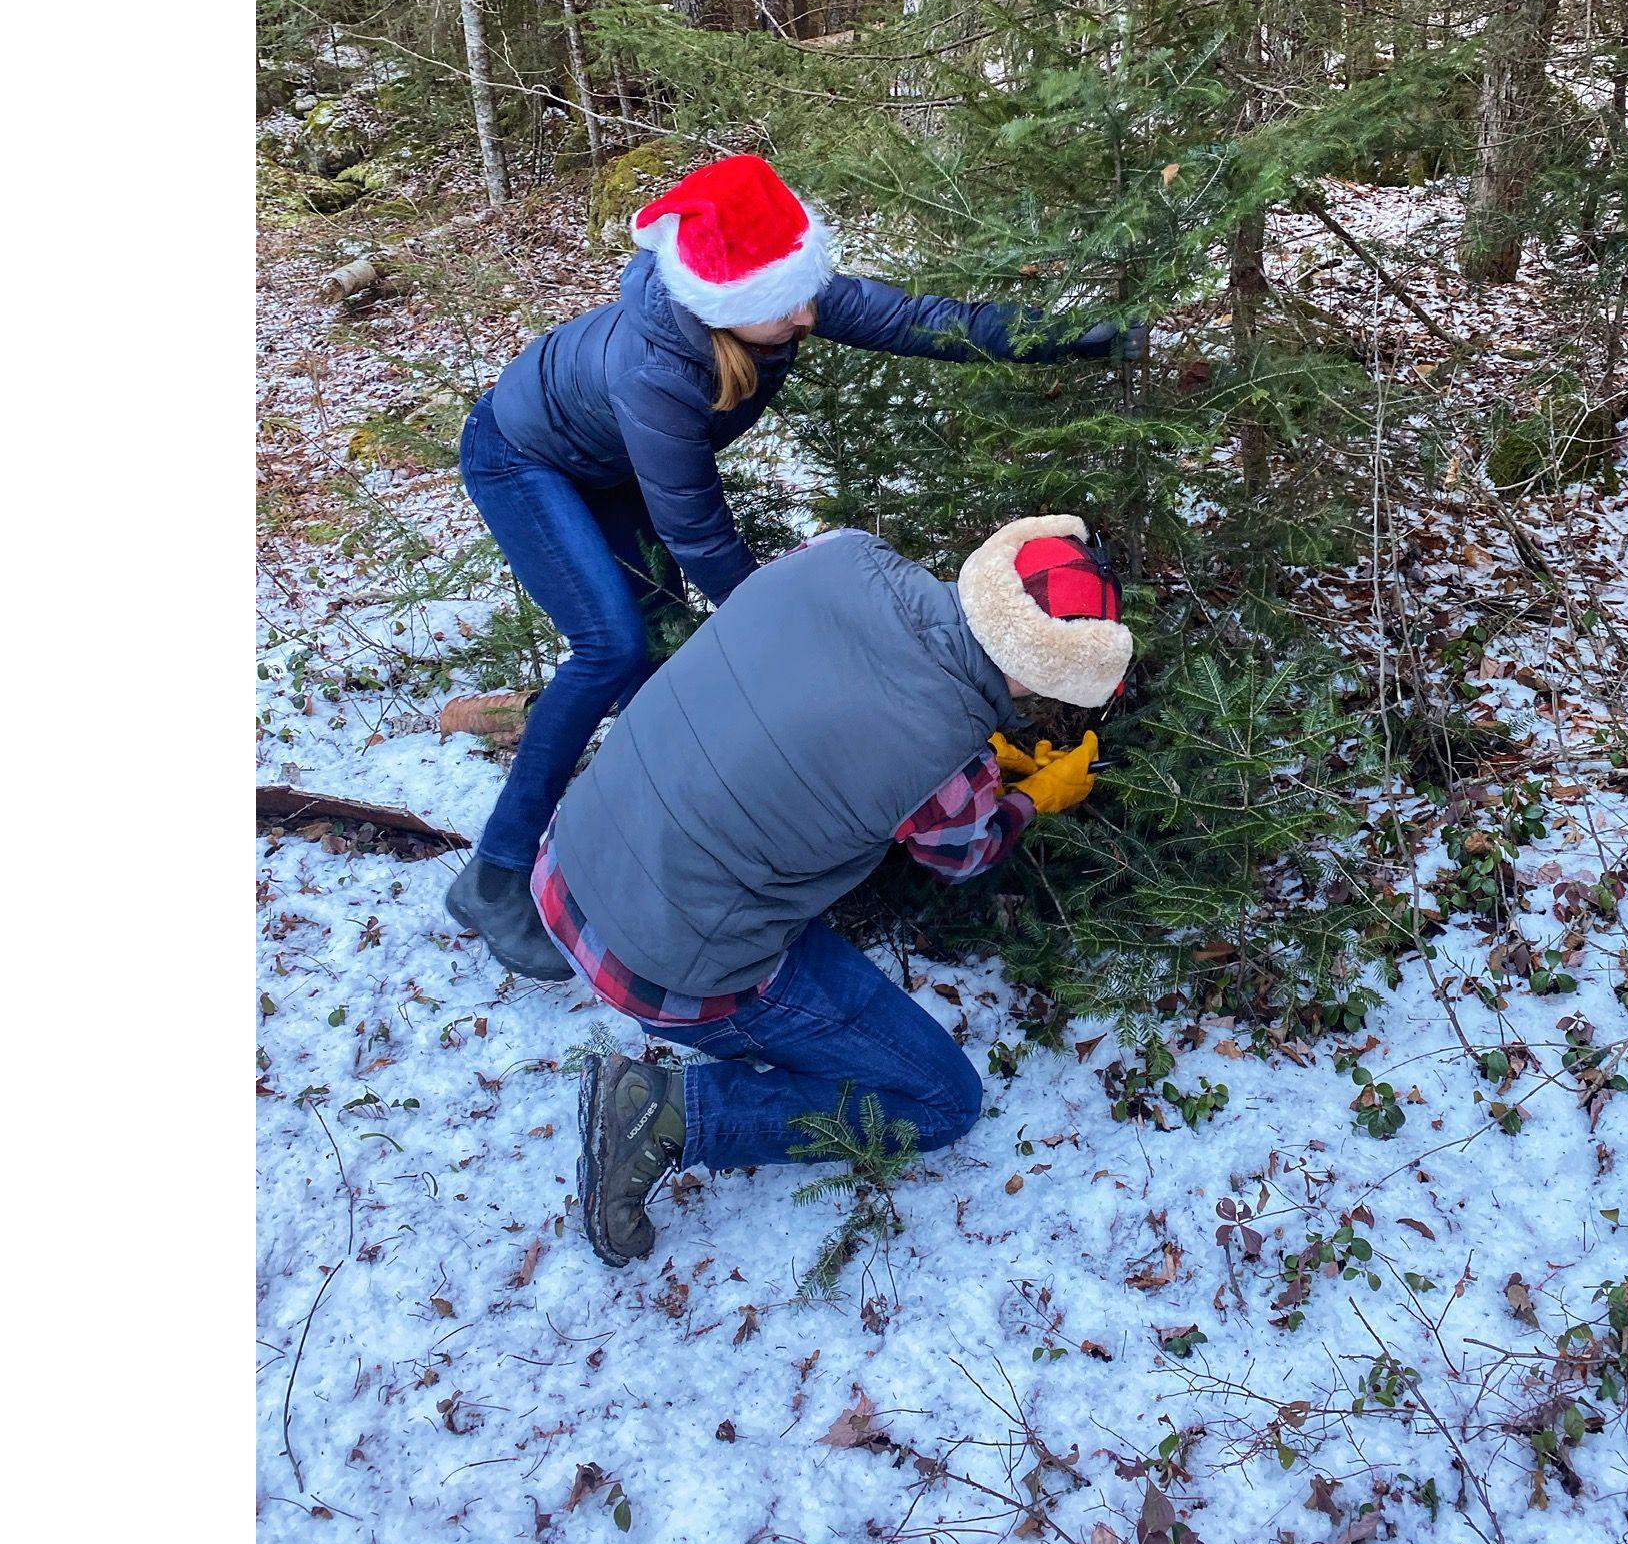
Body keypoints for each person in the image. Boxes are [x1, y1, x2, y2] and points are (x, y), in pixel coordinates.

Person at [445, 152, 1136, 979]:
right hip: (524, 459)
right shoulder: (656, 370)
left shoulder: (779, 290)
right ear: (727, 312)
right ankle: (494, 873)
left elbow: (924, 320)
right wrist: (799, 634)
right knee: (614, 647)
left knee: (667, 659)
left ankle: (641, 853)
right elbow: (700, 537)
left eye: (809, 294)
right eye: (787, 309)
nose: (810, 315)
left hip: (610, 464)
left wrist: (1071, 337)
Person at [545, 513, 1132, 1267]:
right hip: (670, 957)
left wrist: (980, 748)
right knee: (942, 1099)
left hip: (576, 850)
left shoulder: (843, 552)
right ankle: (671, 1114)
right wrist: (1033, 795)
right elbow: (966, 851)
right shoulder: (945, 768)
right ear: (1057, 671)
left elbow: (834, 688)